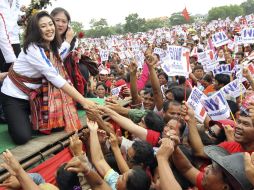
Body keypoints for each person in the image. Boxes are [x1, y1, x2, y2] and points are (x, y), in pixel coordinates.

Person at [1, 11, 95, 144]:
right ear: (35, 30)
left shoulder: (49, 45)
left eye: (51, 24)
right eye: (43, 26)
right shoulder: (32, 48)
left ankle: (28, 119)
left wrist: (68, 41)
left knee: (58, 126)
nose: (49, 28)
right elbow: (54, 76)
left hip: (35, 97)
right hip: (15, 97)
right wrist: (84, 101)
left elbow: (57, 57)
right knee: (22, 137)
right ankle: (13, 120)